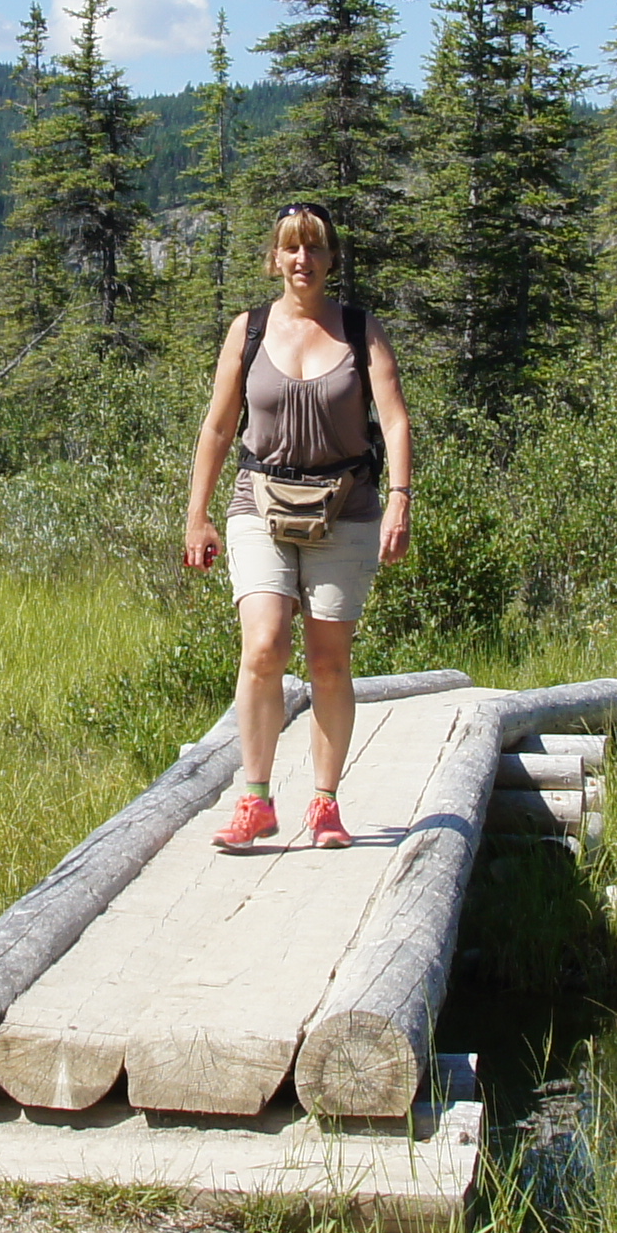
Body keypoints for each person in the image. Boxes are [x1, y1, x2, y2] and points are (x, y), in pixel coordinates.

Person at [179, 203, 416, 849]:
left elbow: (394, 419)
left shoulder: (361, 331)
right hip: (260, 501)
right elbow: (219, 427)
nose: (302, 259)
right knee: (263, 646)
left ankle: (325, 804)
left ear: (331, 258)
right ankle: (255, 800)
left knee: (328, 661)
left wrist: (400, 500)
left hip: (347, 506)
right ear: (275, 258)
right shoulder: (249, 330)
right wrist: (197, 515)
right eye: (291, 247)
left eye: (314, 247)